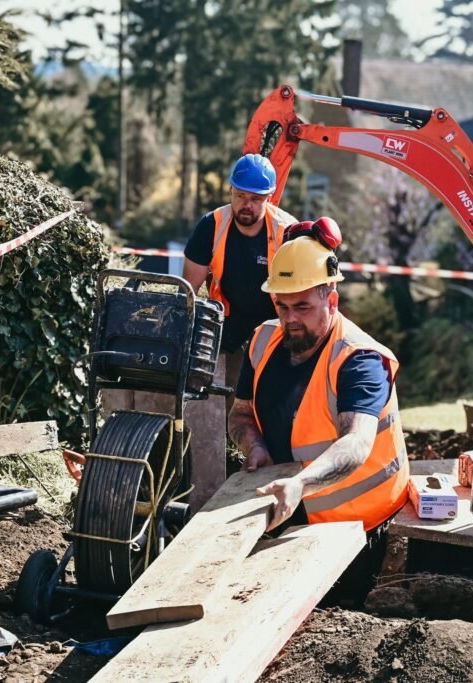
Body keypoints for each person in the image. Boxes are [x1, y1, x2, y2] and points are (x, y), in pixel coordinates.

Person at [228, 228, 409, 601]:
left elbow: (356, 443)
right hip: (287, 507)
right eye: (282, 306)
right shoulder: (262, 341)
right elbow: (240, 414)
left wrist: (300, 484)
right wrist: (255, 446)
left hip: (357, 527)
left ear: (332, 300)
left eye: (302, 307)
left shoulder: (359, 361)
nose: (290, 319)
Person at [176, 153, 296, 509]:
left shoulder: (287, 232)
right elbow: (188, 292)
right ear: (230, 190)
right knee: (206, 404)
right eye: (242, 195)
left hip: (273, 327)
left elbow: (300, 295)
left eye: (257, 198)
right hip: (225, 322)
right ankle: (203, 496)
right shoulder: (210, 227)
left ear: (270, 198)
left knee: (274, 406)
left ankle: (271, 489)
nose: (248, 205)